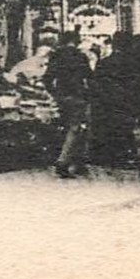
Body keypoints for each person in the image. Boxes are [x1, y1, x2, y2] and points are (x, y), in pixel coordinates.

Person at [90, 33, 140, 166]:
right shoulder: (133, 63)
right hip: (125, 101)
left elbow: (95, 82)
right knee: (124, 129)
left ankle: (107, 156)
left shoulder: (104, 62)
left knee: (109, 128)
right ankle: (124, 156)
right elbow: (137, 84)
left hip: (107, 102)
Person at [44, 30, 93, 178]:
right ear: (75, 41)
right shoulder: (80, 56)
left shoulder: (56, 56)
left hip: (62, 95)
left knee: (67, 127)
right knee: (77, 128)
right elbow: (89, 77)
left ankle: (77, 162)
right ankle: (63, 161)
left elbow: (47, 78)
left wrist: (54, 93)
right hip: (77, 95)